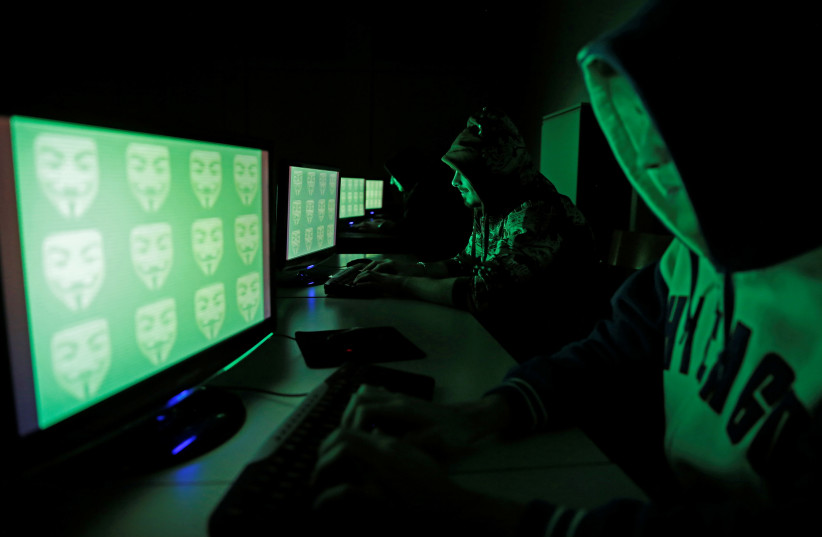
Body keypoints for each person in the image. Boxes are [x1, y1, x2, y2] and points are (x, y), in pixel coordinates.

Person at [309, 1, 822, 535]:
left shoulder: (539, 212)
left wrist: (469, 512)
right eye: (637, 117)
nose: (647, 153)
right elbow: (614, 347)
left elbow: (488, 292)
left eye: (674, 115)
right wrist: (481, 414)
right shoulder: (688, 256)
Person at [353, 107, 598, 360]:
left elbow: (483, 295)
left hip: (552, 350)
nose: (454, 181)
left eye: (464, 172)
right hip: (517, 333)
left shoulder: (536, 211)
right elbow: (467, 262)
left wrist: (400, 285)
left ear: (489, 172)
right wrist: (409, 269)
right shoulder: (492, 203)